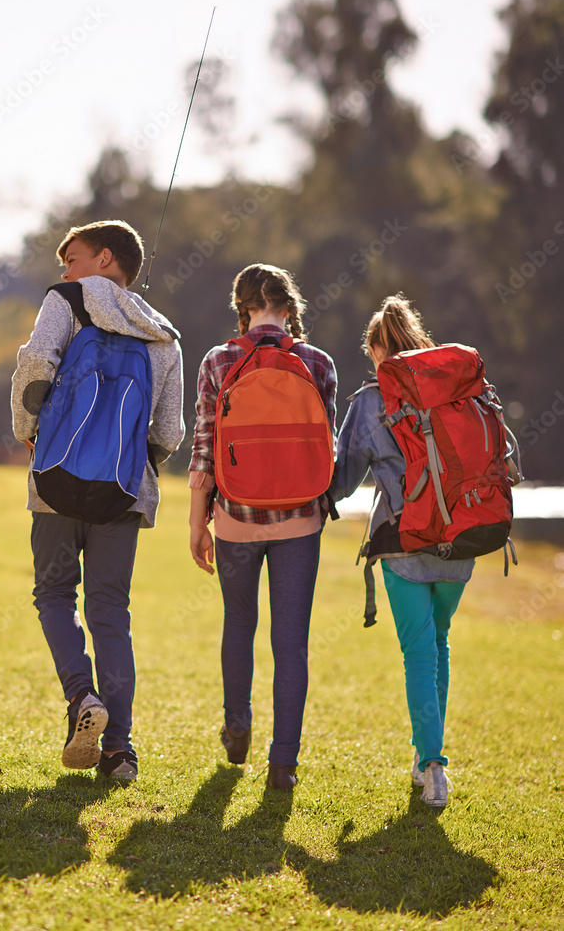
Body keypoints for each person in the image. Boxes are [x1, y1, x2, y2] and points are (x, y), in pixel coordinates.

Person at [11, 220, 184, 783]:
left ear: (105, 259)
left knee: (54, 594)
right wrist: (130, 458)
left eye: (74, 258)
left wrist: (30, 433)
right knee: (110, 613)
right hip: (124, 493)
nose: (65, 270)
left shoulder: (65, 301)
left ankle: (82, 697)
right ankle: (119, 751)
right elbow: (170, 430)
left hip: (57, 481)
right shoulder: (164, 336)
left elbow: (37, 363)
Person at [188, 263, 337, 790]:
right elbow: (327, 453)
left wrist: (197, 523)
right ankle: (284, 763)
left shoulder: (218, 360)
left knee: (239, 626)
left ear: (243, 306)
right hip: (300, 520)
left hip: (235, 517)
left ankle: (237, 725)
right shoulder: (318, 363)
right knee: (290, 643)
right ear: (290, 307)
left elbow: (205, 449)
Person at [330, 295, 473, 808]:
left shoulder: (371, 400)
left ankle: (433, 765)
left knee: (418, 653)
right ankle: (425, 756)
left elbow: (341, 481)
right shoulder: (459, 389)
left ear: (376, 350)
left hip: (405, 542)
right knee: (439, 641)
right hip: (462, 541)